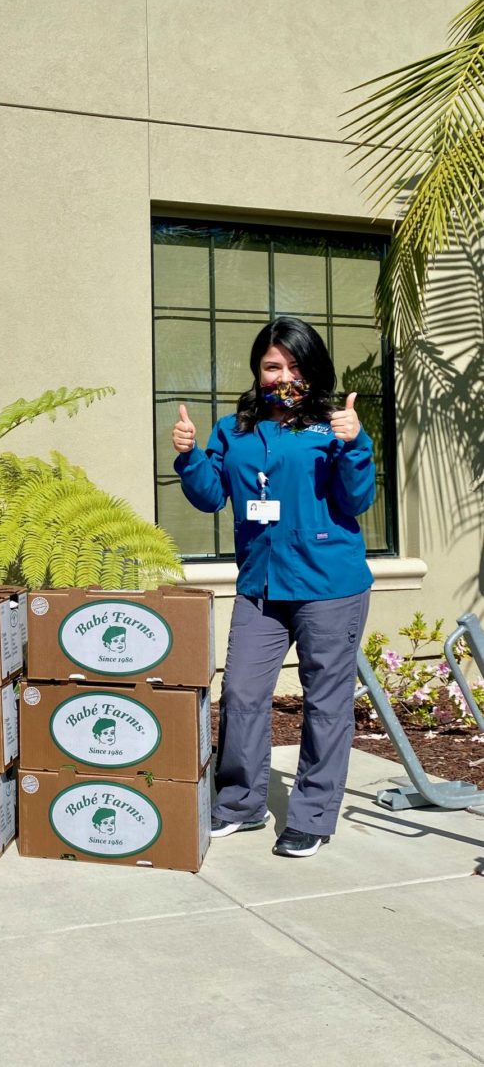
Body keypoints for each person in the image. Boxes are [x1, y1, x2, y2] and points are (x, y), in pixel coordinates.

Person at [172, 316, 375, 859]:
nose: (282, 375)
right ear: (258, 370)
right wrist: (190, 457)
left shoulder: (335, 425)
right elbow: (211, 497)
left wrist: (354, 446)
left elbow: (357, 502)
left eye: (294, 365)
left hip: (328, 585)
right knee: (240, 692)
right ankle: (241, 802)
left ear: (312, 370)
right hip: (261, 585)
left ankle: (311, 816)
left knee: (326, 703)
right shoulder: (234, 429)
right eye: (272, 366)